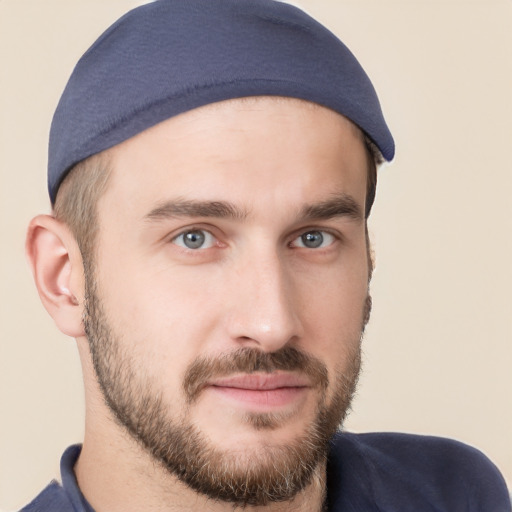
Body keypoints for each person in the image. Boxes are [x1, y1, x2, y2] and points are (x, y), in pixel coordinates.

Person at [19, 1, 510, 511]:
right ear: (63, 277)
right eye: (195, 238)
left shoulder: (453, 496)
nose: (272, 323)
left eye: (313, 238)